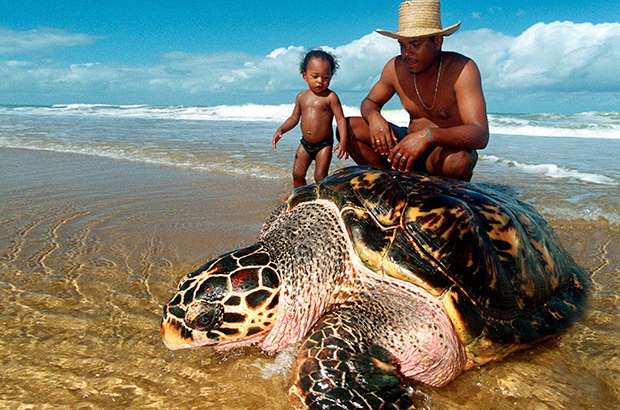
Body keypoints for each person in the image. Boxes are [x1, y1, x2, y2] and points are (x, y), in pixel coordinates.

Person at [343, 0, 489, 181]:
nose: (407, 53)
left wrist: (428, 136)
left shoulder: (462, 69)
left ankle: (438, 198)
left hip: (440, 155)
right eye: (402, 45)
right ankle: (390, 185)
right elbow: (370, 102)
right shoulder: (395, 67)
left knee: (457, 160)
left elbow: (480, 134)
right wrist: (374, 118)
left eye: (415, 44)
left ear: (437, 40)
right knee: (348, 128)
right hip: (404, 149)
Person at [273, 50, 348, 188]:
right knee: (297, 173)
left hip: (324, 145)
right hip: (305, 144)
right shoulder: (301, 97)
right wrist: (281, 129)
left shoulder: (330, 97)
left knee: (320, 176)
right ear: (305, 76)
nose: (320, 81)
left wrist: (343, 141)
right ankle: (300, 196)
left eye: (326, 77)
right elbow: (294, 118)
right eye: (315, 76)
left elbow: (341, 119)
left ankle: (321, 199)